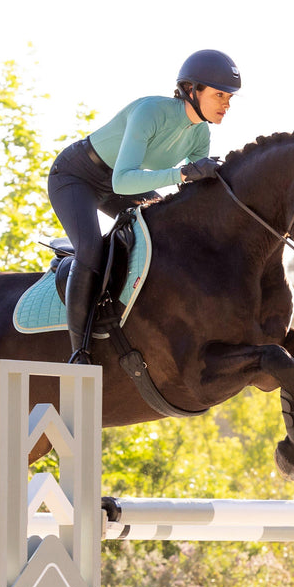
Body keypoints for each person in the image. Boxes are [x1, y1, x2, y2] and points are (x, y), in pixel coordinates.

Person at [47, 49, 241, 363]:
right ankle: (79, 350)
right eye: (219, 95)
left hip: (118, 184)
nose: (226, 104)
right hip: (76, 176)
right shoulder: (151, 111)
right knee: (91, 248)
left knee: (171, 232)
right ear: (192, 90)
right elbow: (123, 182)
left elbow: (193, 193)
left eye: (230, 98)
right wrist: (182, 173)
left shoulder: (200, 133)